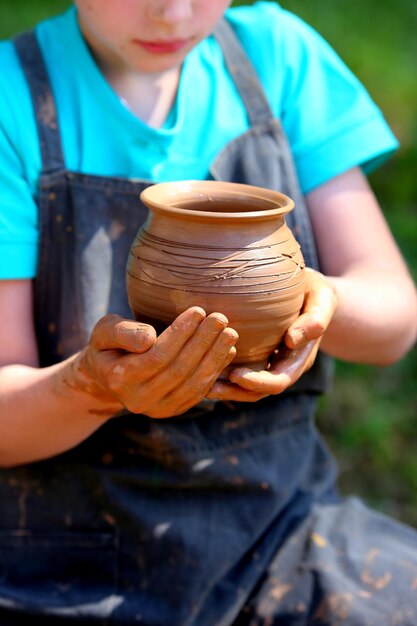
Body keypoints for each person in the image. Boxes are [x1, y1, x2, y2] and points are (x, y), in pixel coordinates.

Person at [0, 0, 416, 624]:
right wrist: (93, 385)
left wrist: (321, 303)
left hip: (280, 527)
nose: (174, 12)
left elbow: (395, 323)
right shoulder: (12, 102)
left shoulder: (278, 60)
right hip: (68, 559)